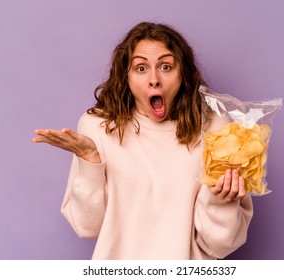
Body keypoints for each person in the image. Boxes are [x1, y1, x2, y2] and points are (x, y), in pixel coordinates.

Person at [32, 22, 253, 260]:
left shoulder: (217, 129)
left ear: (183, 74)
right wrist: (90, 162)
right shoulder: (98, 127)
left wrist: (221, 199)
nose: (154, 79)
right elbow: (87, 227)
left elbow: (219, 246)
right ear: (125, 76)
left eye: (166, 66)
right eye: (141, 68)